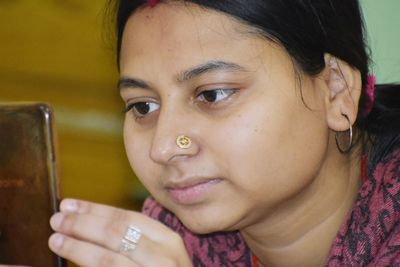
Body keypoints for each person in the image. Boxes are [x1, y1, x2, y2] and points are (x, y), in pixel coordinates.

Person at [46, 0, 400, 266]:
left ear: (336, 90)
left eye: (212, 95)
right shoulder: (168, 239)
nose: (165, 147)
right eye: (143, 106)